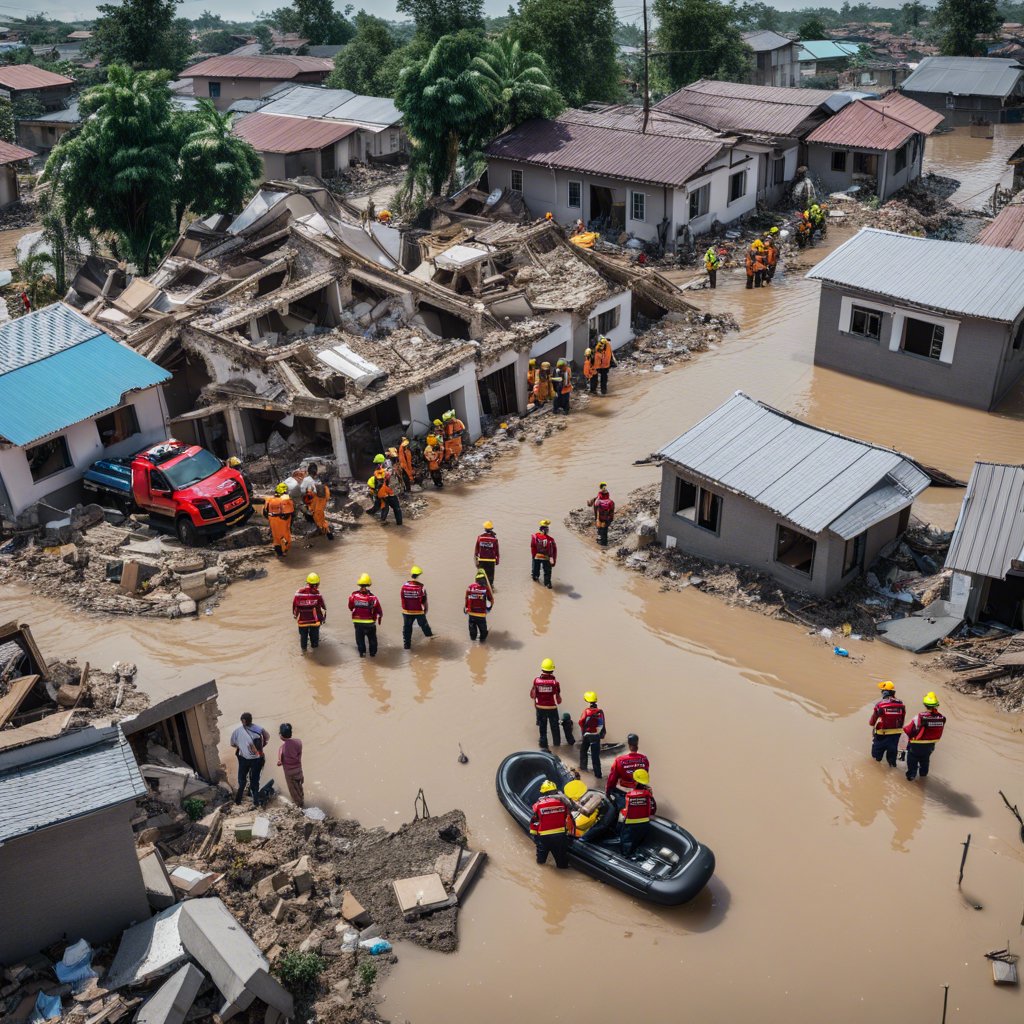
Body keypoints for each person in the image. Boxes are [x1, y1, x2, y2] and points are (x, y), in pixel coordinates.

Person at [529, 779, 575, 868]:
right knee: (561, 863)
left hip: (544, 837)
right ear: (554, 791)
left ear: (543, 792)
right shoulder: (563, 803)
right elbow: (568, 816)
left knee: (541, 861)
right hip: (560, 836)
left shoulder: (538, 805)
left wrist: (534, 836)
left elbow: (534, 821)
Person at [903, 692, 946, 781]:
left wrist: (904, 729)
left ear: (925, 705)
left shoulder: (919, 717)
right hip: (930, 746)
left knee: (912, 761)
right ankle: (923, 776)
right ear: (936, 705)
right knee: (925, 760)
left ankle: (911, 777)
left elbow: (908, 730)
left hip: (916, 746)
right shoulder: (942, 718)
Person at [230, 712, 270, 806]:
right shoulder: (259, 729)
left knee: (242, 781)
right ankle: (255, 802)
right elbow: (267, 738)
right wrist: (261, 746)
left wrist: (241, 747)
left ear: (243, 721)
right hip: (258, 758)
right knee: (255, 780)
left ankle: (238, 801)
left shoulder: (237, 731)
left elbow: (232, 744)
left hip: (244, 758)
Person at [605, 733, 650, 814]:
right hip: (639, 790)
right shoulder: (644, 759)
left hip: (623, 791)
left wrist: (608, 792)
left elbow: (612, 779)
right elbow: (645, 775)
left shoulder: (619, 760)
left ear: (629, 745)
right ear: (637, 744)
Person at [619, 768, 656, 858]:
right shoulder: (648, 794)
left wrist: (621, 812)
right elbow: (652, 809)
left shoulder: (629, 795)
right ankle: (633, 852)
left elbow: (627, 812)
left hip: (631, 825)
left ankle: (624, 857)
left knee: (626, 841)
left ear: (635, 782)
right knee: (636, 841)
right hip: (644, 824)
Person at [869, 680, 906, 768]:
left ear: (885, 692)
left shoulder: (880, 705)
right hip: (895, 737)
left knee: (876, 759)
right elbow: (902, 720)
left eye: (882, 691)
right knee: (892, 762)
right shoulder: (901, 704)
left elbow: (872, 722)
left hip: (881, 736)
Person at [530, 657, 562, 750]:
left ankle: (543, 747)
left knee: (542, 729)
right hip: (551, 708)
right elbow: (559, 700)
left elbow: (532, 695)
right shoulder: (555, 682)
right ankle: (557, 747)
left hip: (540, 708)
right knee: (555, 728)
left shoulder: (536, 681)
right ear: (552, 670)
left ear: (542, 669)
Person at [348, 573, 382, 657]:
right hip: (370, 623)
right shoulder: (373, 598)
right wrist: (379, 617)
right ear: (368, 585)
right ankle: (373, 655)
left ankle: (362, 654)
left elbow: (350, 607)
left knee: (360, 639)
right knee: (372, 639)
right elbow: (379, 611)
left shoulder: (353, 596)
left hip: (358, 622)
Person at [400, 565, 433, 649]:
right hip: (418, 611)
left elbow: (402, 598)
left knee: (407, 629)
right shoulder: (421, 587)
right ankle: (430, 639)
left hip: (406, 612)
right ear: (418, 576)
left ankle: (407, 647)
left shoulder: (404, 586)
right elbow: (424, 601)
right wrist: (425, 610)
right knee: (424, 626)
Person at [292, 572, 326, 653]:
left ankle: (304, 652)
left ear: (307, 582)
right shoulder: (318, 594)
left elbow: (294, 606)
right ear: (317, 584)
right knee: (315, 640)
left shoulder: (298, 593)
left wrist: (295, 616)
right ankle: (316, 652)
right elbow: (323, 607)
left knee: (303, 638)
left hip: (302, 621)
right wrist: (323, 619)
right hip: (315, 621)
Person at [300, 463, 334, 541]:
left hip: (314, 503)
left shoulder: (306, 480)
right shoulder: (317, 481)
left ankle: (327, 533)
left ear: (308, 472)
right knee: (320, 517)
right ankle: (328, 534)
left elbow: (302, 491)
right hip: (320, 502)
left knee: (318, 518)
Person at [368, 454, 403, 526]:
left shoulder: (377, 472)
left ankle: (382, 520)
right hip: (389, 492)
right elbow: (392, 480)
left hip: (381, 493)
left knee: (384, 507)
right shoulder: (386, 471)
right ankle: (400, 524)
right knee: (396, 508)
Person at [578, 691, 606, 778]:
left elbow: (581, 722)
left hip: (587, 735)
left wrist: (585, 730)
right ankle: (598, 775)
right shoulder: (600, 712)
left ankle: (583, 768)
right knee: (595, 756)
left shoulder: (586, 711)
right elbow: (603, 724)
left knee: (583, 751)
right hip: (596, 735)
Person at [263, 483, 294, 557]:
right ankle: (284, 551)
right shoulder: (286, 500)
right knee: (285, 537)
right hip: (283, 521)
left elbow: (265, 512)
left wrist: (271, 519)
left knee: (276, 537)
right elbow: (290, 512)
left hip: (272, 520)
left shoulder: (269, 500)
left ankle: (279, 553)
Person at [277, 723, 304, 808]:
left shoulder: (282, 748)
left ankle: (299, 806)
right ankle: (302, 800)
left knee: (293, 790)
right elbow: (299, 754)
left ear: (281, 735)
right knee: (299, 786)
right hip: (299, 769)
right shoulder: (298, 742)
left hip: (290, 773)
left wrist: (279, 762)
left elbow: (280, 762)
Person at [464, 569, 492, 642]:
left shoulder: (470, 587)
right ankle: (481, 646)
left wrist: (465, 607)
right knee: (483, 634)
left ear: (476, 579)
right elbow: (491, 600)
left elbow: (466, 597)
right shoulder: (486, 588)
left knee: (473, 634)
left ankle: (473, 646)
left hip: (471, 614)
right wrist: (488, 609)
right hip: (481, 615)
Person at [530, 519, 557, 588]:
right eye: (547, 529)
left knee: (535, 572)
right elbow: (554, 550)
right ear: (545, 530)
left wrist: (533, 556)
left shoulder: (534, 536)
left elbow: (533, 547)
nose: (547, 531)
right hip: (546, 557)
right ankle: (547, 585)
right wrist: (553, 560)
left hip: (537, 556)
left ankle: (536, 582)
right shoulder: (551, 539)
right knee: (547, 573)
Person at [475, 521, 500, 587]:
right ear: (491, 529)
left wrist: (476, 560)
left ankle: (480, 586)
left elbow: (476, 549)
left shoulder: (480, 537)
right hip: (491, 560)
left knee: (481, 574)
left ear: (484, 529)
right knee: (490, 575)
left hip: (482, 560)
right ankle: (491, 586)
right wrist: (497, 560)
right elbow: (496, 550)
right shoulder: (494, 539)